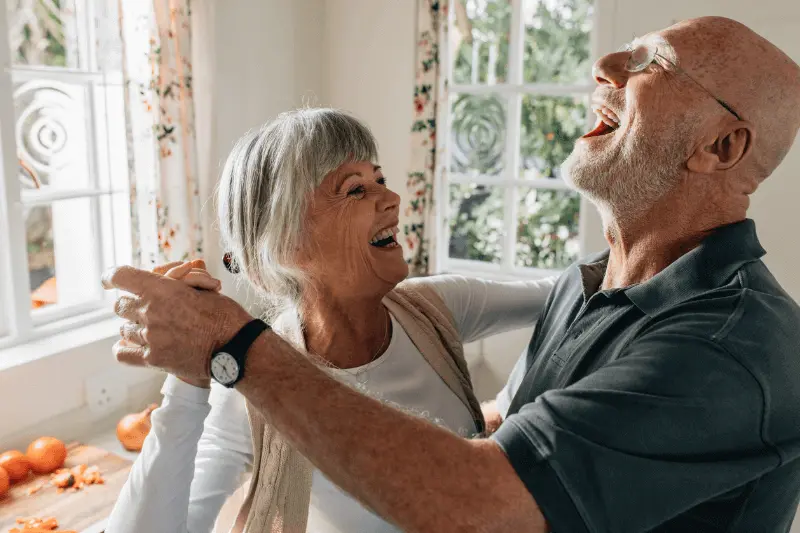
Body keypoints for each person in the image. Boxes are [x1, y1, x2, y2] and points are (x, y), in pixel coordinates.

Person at [104, 16, 800, 533]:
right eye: (354, 188)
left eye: (653, 62)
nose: (606, 62)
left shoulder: (733, 347)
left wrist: (232, 349)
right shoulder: (586, 286)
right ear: (286, 243)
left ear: (723, 146)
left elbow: (483, 498)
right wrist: (199, 375)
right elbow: (518, 433)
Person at [104, 108, 556, 533]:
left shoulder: (436, 307)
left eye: (380, 179)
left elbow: (573, 296)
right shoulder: (248, 381)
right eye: (355, 189)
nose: (393, 199)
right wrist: (186, 380)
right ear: (286, 245)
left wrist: (513, 408)